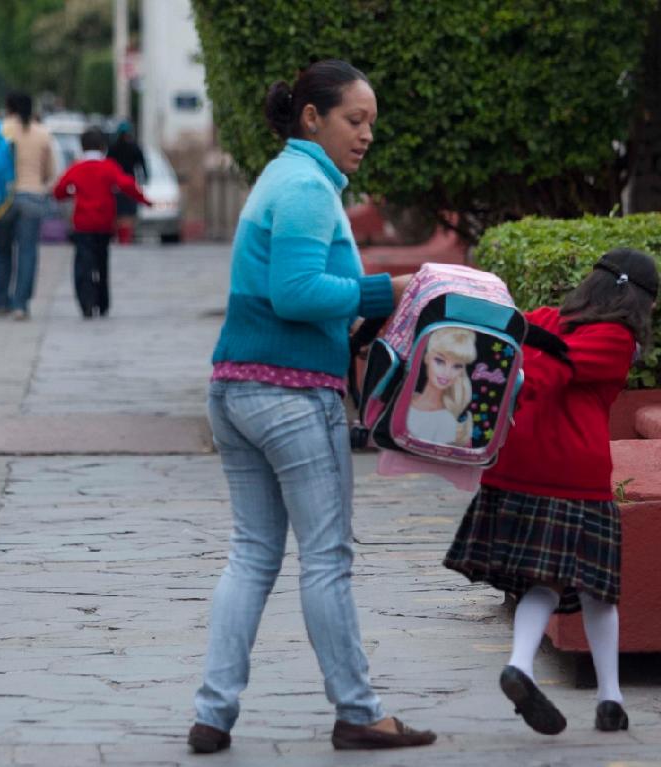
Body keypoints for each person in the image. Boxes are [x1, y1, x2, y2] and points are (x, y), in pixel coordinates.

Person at [188, 60, 435, 753]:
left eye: (371, 125)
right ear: (311, 118)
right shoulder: (304, 187)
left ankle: (213, 712)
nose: (366, 135)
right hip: (291, 392)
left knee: (252, 554)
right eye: (354, 120)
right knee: (325, 558)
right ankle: (358, 710)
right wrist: (387, 289)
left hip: (235, 388)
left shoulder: (284, 178)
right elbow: (296, 293)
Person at [444, 248, 658, 736]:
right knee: (598, 592)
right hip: (573, 474)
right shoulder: (616, 338)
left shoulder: (544, 320)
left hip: (518, 464)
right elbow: (560, 368)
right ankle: (610, 698)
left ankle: (521, 666)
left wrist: (521, 335)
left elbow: (528, 356)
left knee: (541, 581)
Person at [53, 127, 149, 318]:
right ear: (103, 146)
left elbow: (59, 190)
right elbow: (127, 184)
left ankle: (86, 303)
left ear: (82, 146)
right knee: (102, 263)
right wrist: (145, 200)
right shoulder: (109, 167)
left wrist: (72, 193)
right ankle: (102, 303)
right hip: (104, 223)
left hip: (83, 224)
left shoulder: (76, 167)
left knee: (83, 265)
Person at [0, 91, 55, 320]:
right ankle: (21, 304)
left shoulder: (0, 129)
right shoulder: (43, 134)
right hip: (32, 197)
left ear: (9, 107)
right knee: (27, 251)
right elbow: (50, 172)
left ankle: (0, 301)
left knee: (2, 250)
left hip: (3, 200)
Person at [408, 327, 476, 446]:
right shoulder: (408, 399)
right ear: (427, 358)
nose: (447, 373)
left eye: (457, 366)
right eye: (440, 361)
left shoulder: (446, 420)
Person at [107, 121, 147, 244]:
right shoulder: (134, 147)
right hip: (129, 183)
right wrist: (145, 178)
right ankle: (125, 237)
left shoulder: (113, 148)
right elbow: (142, 165)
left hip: (117, 184)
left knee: (119, 211)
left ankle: (121, 236)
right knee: (128, 212)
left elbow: (107, 164)